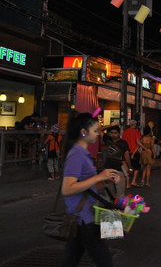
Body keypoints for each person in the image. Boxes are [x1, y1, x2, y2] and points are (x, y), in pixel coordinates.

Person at [60, 111, 119, 267]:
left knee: (69, 261)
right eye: (95, 130)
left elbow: (87, 186)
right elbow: (67, 189)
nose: (99, 134)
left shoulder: (82, 153)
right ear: (84, 133)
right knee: (105, 262)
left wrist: (104, 181)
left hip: (83, 218)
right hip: (84, 219)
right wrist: (99, 177)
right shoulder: (76, 154)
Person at [103, 125, 133, 193]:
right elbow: (99, 130)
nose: (113, 135)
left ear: (119, 134)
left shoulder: (123, 143)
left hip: (118, 169)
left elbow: (126, 155)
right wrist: (110, 126)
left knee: (120, 192)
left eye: (115, 133)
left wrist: (130, 167)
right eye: (112, 133)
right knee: (110, 193)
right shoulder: (108, 140)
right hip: (108, 169)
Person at [122, 120, 144, 187]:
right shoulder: (136, 132)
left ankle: (128, 183)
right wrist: (145, 148)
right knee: (137, 167)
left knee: (128, 167)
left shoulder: (125, 132)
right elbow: (138, 143)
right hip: (134, 152)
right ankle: (133, 181)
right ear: (134, 125)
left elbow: (123, 142)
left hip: (126, 152)